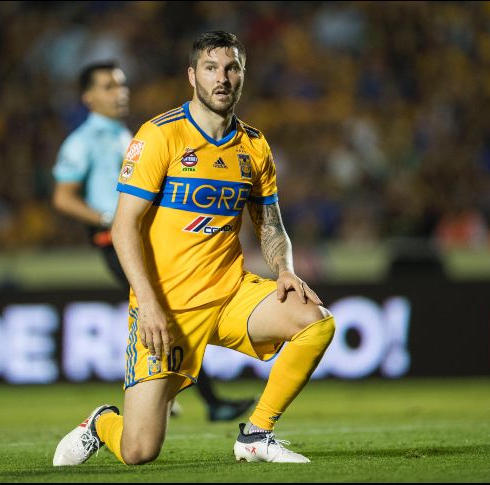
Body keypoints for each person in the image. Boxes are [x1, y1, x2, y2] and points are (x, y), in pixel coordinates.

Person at [52, 31, 335, 466]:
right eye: (210, 68)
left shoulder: (254, 146)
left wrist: (284, 269)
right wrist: (146, 302)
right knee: (139, 451)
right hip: (166, 308)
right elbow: (125, 225)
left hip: (229, 295)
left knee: (315, 322)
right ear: (192, 75)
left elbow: (270, 221)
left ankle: (256, 434)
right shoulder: (160, 136)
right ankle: (101, 423)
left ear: (242, 75)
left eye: (231, 68)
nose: (221, 78)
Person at [51, 61, 255, 422]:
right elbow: (63, 197)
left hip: (147, 236)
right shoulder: (82, 141)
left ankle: (170, 391)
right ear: (88, 97)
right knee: (161, 310)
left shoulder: (124, 135)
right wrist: (106, 218)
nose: (120, 93)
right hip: (116, 239)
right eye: (109, 87)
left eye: (122, 85)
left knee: (166, 313)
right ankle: (180, 395)